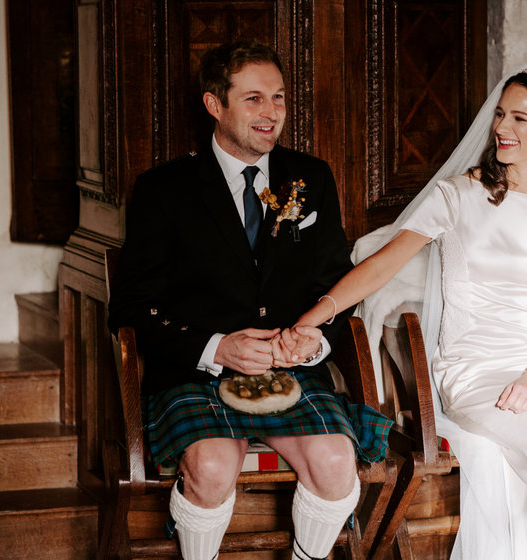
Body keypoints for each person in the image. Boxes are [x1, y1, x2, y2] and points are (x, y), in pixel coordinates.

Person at [290, 62, 527, 558]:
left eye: (520, 119)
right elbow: (380, 267)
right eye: (501, 115)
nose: (502, 128)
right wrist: (309, 320)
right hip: (474, 371)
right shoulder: (460, 195)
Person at [107, 41, 390, 560]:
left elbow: (337, 286)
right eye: (254, 99)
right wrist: (217, 348)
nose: (271, 114)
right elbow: (128, 307)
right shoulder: (163, 189)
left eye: (278, 99)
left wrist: (314, 344)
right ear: (216, 105)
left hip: (293, 372)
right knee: (212, 469)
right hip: (197, 372)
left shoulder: (311, 178)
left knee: (335, 463)